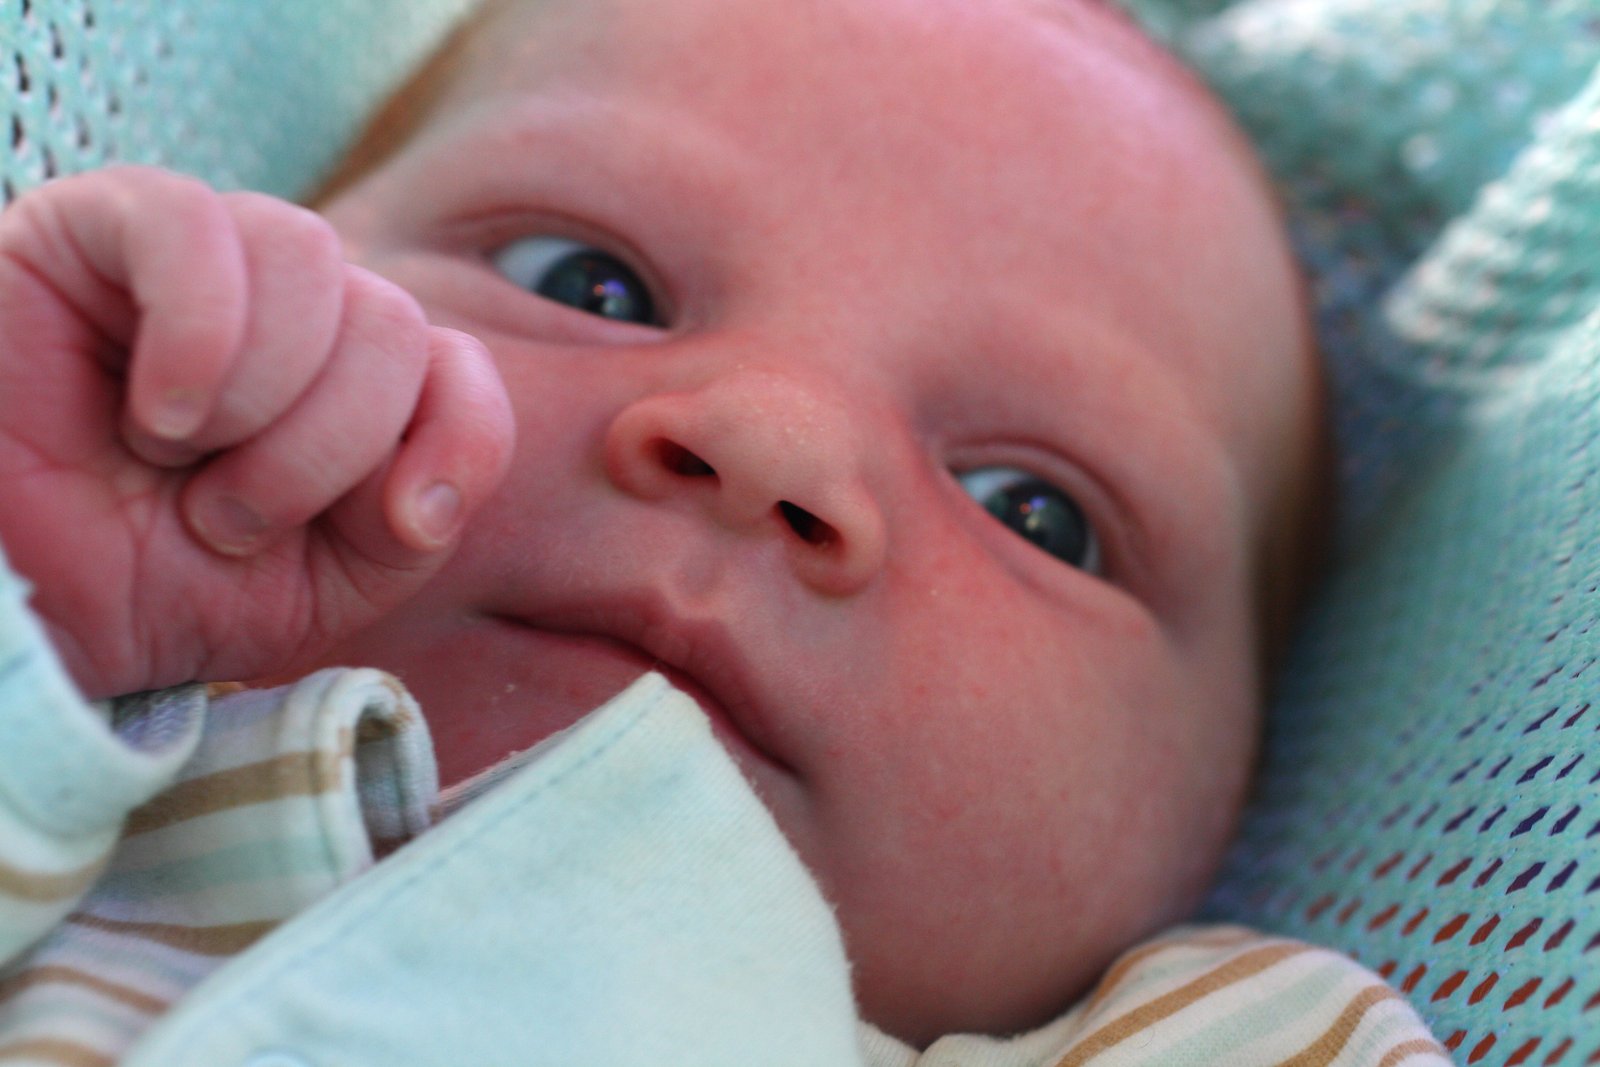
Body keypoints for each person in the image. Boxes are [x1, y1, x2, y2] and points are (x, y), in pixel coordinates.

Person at [0, 0, 1443, 1061]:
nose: (770, 442)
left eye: (1036, 513)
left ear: (1223, 815)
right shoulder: (69, 753)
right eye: (588, 282)